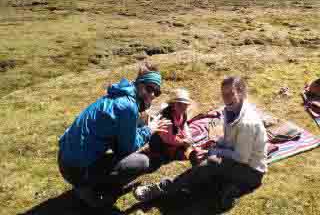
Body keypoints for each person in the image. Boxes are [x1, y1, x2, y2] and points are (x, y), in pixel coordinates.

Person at [134, 76, 268, 208]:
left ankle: (161, 188)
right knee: (202, 159)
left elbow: (242, 158)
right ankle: (224, 188)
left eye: (230, 93)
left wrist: (215, 151)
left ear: (242, 93)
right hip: (236, 162)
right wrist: (212, 147)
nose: (226, 98)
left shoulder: (247, 123)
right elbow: (229, 141)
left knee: (211, 163)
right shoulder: (230, 110)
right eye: (223, 94)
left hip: (251, 172)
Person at [58, 63, 171, 208]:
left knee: (136, 130)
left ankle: (87, 183)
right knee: (142, 162)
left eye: (157, 91)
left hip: (66, 158)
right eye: (149, 88)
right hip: (76, 170)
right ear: (139, 84)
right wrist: (149, 130)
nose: (153, 95)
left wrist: (142, 124)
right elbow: (126, 149)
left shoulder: (119, 94)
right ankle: (88, 189)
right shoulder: (128, 107)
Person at [149, 88, 193, 162]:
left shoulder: (182, 114)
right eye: (179, 104)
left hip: (172, 136)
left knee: (186, 144)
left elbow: (184, 125)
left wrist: (188, 137)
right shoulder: (166, 118)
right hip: (161, 142)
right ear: (173, 105)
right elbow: (167, 138)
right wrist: (182, 142)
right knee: (172, 152)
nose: (183, 107)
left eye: (185, 104)